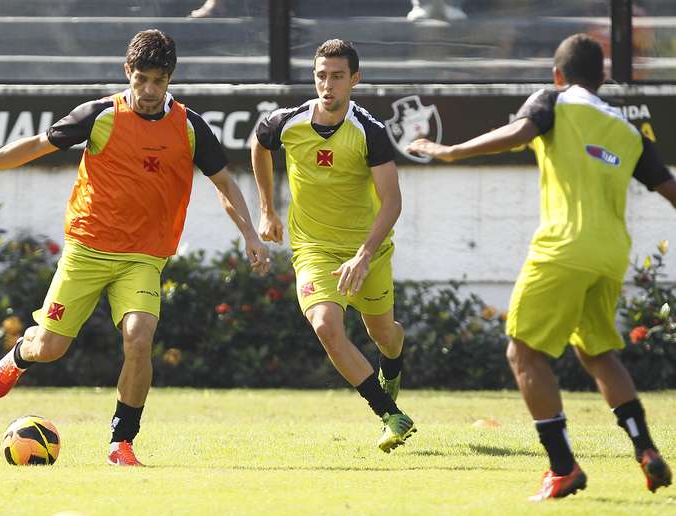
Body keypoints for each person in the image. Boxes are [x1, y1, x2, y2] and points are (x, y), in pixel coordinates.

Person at [0, 30, 270, 467]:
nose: (150, 90)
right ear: (127, 73)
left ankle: (122, 442)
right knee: (51, 348)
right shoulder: (99, 115)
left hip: (143, 256)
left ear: (171, 78)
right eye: (142, 79)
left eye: (159, 80)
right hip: (88, 249)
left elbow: (225, 183)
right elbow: (39, 145)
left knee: (139, 337)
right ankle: (23, 352)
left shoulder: (190, 127)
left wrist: (250, 233)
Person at [407, 33, 674, 500]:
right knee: (597, 353)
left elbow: (518, 133)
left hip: (563, 248)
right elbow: (670, 189)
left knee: (523, 352)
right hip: (611, 256)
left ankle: (563, 467)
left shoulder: (553, 98)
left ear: (557, 74)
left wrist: (449, 151)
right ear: (603, 79)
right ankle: (645, 448)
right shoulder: (631, 132)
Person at [252, 39, 415, 453]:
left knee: (385, 336)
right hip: (314, 249)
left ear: (354, 80)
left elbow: (392, 202)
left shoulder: (370, 132)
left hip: (368, 251)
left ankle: (391, 368)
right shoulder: (287, 122)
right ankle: (389, 413)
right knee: (325, 325)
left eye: (337, 76)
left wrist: (363, 255)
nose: (328, 84)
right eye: (321, 75)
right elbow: (259, 143)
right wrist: (267, 209)